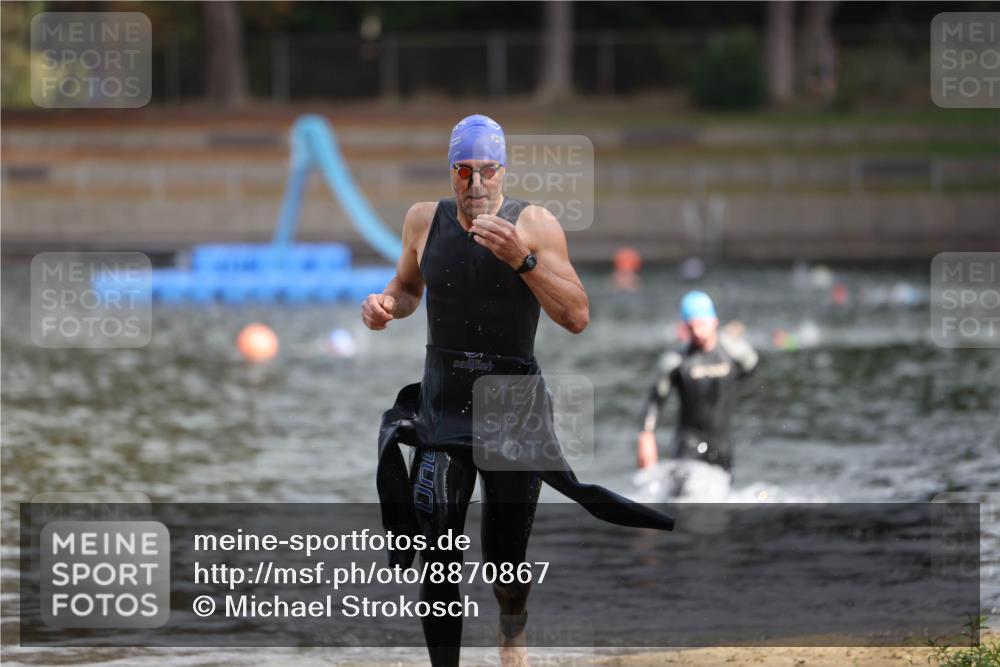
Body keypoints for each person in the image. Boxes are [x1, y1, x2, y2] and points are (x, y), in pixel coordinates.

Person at [364, 114, 673, 667]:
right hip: (443, 407)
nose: (476, 183)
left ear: (503, 170)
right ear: (450, 171)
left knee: (504, 564)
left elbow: (576, 317)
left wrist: (522, 260)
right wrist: (386, 304)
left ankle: (512, 628)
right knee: (438, 557)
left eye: (487, 170)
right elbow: (407, 288)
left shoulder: (535, 225)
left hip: (514, 412)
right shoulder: (422, 220)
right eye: (464, 171)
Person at [636, 291, 759, 496]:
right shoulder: (676, 360)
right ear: (685, 327)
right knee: (687, 499)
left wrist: (733, 339)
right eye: (691, 327)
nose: (698, 332)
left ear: (714, 321)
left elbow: (752, 368)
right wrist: (646, 437)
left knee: (720, 502)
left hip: (722, 445)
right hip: (689, 444)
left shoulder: (732, 352)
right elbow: (655, 401)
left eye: (702, 324)